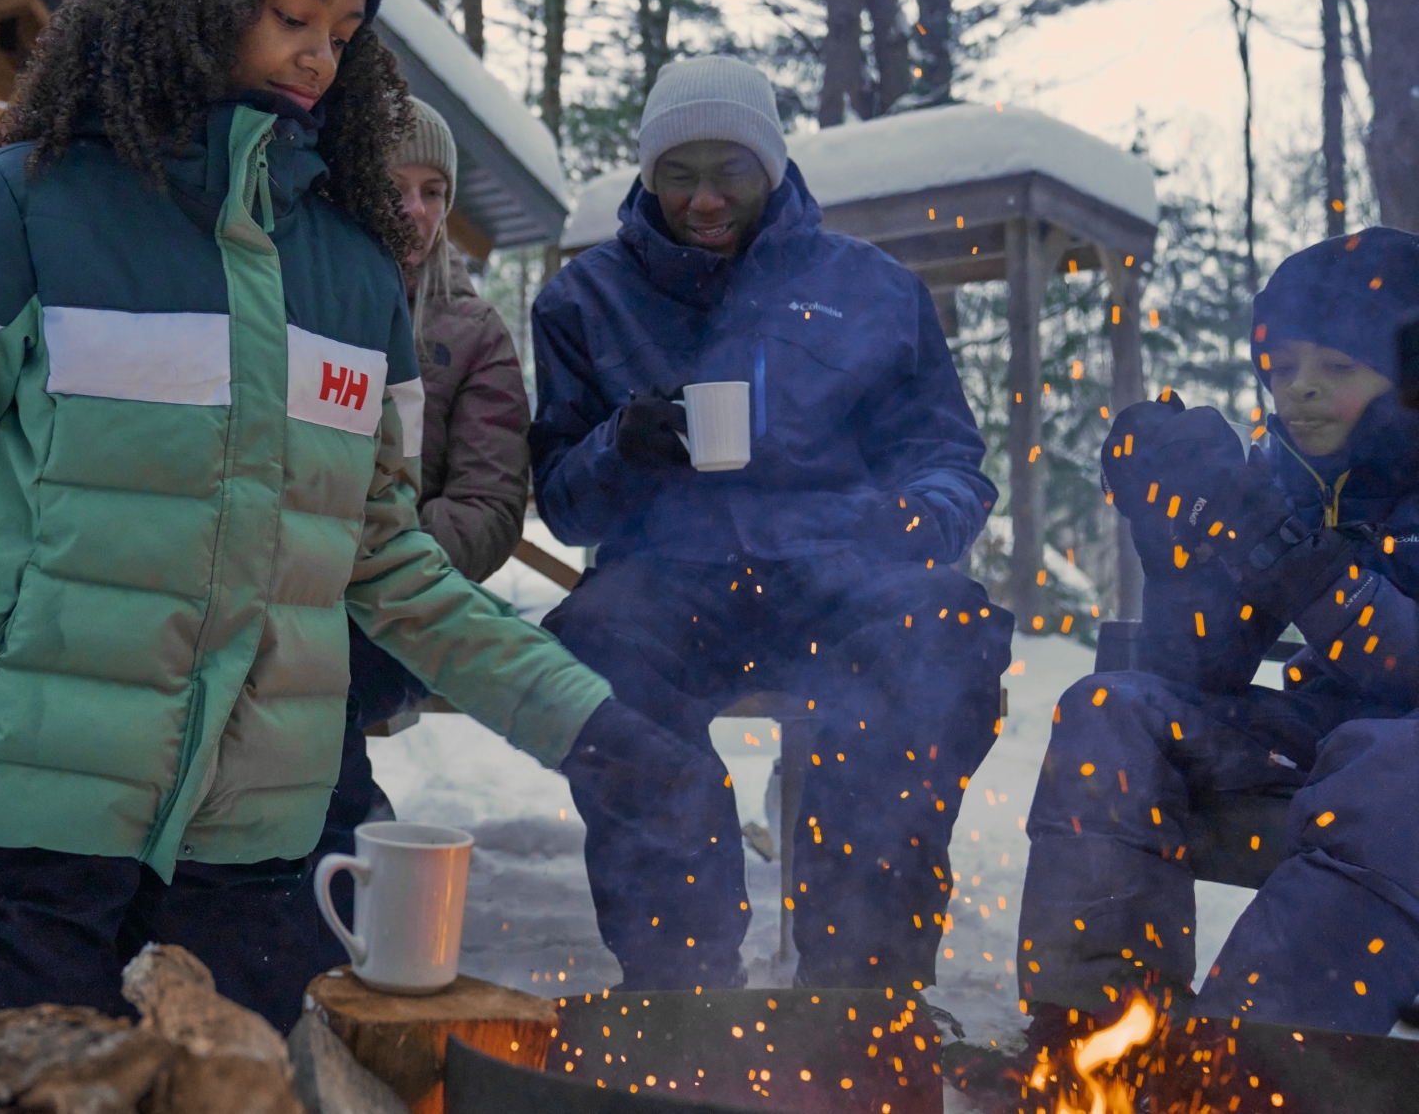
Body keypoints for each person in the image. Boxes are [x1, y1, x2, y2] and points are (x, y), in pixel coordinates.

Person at [0, 0, 692, 1040]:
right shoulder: (20, 205)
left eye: (344, 31)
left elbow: (382, 561)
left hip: (251, 856)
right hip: (22, 836)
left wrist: (586, 723)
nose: (319, 53)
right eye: (291, 12)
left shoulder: (353, 273)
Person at [529, 55, 1012, 992]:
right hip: (665, 585)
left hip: (840, 575)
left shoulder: (873, 289)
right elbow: (561, 502)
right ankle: (679, 978)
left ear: (774, 167)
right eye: (679, 175)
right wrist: (619, 446)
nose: (704, 199)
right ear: (648, 175)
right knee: (591, 650)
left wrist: (913, 519)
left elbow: (951, 463)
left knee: (944, 633)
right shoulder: (585, 299)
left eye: (731, 172)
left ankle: (862, 981)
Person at [1019, 226, 1419, 1034]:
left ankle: (1248, 1062)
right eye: (1283, 367)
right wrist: (1180, 537)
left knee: (1389, 769)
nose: (1300, 389)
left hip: (1399, 765)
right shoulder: (1286, 475)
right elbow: (1203, 672)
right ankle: (1101, 1035)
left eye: (1338, 367)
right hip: (1322, 734)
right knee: (1113, 711)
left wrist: (1292, 559)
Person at [318, 97, 533, 848]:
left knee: (312, 679)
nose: (415, 210)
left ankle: (353, 860)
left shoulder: (472, 333)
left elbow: (488, 508)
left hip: (409, 606)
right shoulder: (300, 297)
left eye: (433, 191)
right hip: (288, 587)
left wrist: (372, 556)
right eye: (394, 187)